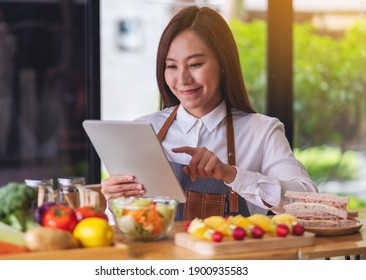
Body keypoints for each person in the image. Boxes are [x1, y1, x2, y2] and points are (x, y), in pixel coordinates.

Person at [101, 6, 317, 220]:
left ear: (223, 63)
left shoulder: (262, 131)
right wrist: (115, 202)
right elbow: (124, 224)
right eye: (172, 67)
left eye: (195, 64)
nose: (183, 79)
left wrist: (231, 174)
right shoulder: (142, 130)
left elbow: (310, 202)